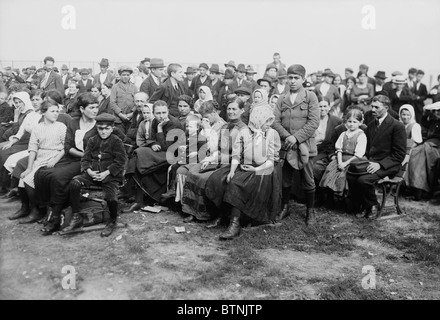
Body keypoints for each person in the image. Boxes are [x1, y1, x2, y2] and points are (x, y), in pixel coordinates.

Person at [206, 106, 281, 239]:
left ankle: (235, 224)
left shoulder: (272, 134)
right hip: (243, 165)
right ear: (257, 120)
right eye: (266, 121)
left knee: (236, 184)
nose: (268, 124)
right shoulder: (245, 132)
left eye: (269, 121)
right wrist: (232, 170)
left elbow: (272, 159)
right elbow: (236, 155)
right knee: (218, 179)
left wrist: (256, 169)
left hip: (262, 169)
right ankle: (222, 215)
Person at [181, 98, 249, 223]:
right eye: (229, 109)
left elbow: (242, 155)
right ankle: (191, 210)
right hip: (218, 159)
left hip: (231, 163)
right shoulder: (225, 126)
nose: (231, 112)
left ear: (242, 110)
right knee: (192, 172)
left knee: (203, 178)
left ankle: (204, 213)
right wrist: (211, 158)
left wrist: (219, 158)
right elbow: (217, 147)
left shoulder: (244, 129)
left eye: (234, 109)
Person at [65, 113, 127, 237]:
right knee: (74, 183)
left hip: (110, 176)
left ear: (112, 128)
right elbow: (85, 158)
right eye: (100, 128)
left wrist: (106, 173)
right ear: (97, 128)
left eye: (107, 128)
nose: (103, 132)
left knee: (111, 198)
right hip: (92, 174)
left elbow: (120, 161)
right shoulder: (92, 140)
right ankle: (76, 215)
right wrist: (88, 171)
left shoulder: (116, 141)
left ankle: (112, 220)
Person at [272, 64, 320, 226]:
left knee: (308, 179)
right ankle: (285, 208)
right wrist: (288, 137)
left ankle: (310, 211)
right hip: (286, 145)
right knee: (285, 179)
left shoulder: (310, 96)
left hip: (304, 146)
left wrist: (297, 138)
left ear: (303, 79)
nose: (292, 81)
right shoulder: (282, 98)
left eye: (296, 78)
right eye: (290, 78)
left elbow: (314, 122)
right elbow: (275, 121)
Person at [347, 94, 406, 219]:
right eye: (372, 106)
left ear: (386, 107)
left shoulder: (397, 126)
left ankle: (373, 205)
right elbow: (368, 147)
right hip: (371, 162)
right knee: (351, 175)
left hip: (389, 165)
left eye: (376, 107)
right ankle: (362, 205)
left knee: (363, 180)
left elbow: (399, 154)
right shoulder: (372, 124)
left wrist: (380, 164)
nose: (372, 110)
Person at [124, 100, 184, 212]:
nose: (161, 116)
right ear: (153, 113)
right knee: (138, 154)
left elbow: (168, 147)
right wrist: (154, 143)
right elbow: (151, 138)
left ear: (168, 111)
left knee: (139, 154)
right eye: (158, 113)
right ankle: (138, 199)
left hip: (173, 154)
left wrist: (160, 129)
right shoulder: (155, 121)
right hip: (161, 151)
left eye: (164, 113)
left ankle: (134, 194)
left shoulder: (174, 123)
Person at [15, 100, 67, 227]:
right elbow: (33, 149)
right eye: (52, 111)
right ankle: (28, 208)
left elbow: (66, 146)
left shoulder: (61, 126)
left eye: (57, 111)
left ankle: (38, 210)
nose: (56, 114)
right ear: (44, 112)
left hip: (56, 156)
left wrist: (55, 160)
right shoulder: (38, 128)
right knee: (24, 178)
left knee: (30, 179)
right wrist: (29, 167)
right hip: (41, 157)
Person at [173, 101, 226, 204]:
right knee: (178, 167)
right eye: (203, 117)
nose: (204, 119)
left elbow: (214, 148)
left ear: (214, 112)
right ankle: (182, 201)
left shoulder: (222, 126)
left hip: (213, 157)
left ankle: (190, 203)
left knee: (185, 170)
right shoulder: (208, 122)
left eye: (206, 116)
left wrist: (206, 129)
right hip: (200, 154)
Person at [319, 108, 367, 197]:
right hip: (341, 158)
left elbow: (359, 154)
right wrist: (340, 162)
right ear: (346, 122)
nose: (351, 124)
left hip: (354, 160)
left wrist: (345, 163)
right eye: (349, 121)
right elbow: (339, 150)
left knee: (344, 175)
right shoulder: (343, 134)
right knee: (330, 170)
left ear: (360, 123)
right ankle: (331, 195)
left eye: (355, 122)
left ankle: (344, 195)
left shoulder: (361, 135)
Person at [0, 92, 36, 194]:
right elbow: (17, 132)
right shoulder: (22, 112)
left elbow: (17, 130)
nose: (18, 104)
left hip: (27, 142)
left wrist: (16, 118)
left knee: (3, 153)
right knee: (2, 149)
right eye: (16, 102)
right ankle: (3, 184)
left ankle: (6, 186)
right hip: (20, 140)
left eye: (20, 102)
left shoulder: (29, 113)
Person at [405, 102, 440, 200]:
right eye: (435, 111)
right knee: (414, 153)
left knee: (421, 154)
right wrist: (425, 113)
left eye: (439, 111)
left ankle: (420, 189)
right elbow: (424, 123)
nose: (437, 113)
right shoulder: (434, 121)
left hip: (436, 147)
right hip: (428, 146)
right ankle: (414, 186)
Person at [312, 97, 343, 205]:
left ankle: (324, 193)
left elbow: (340, 137)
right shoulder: (312, 119)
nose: (323, 109)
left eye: (325, 106)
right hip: (314, 149)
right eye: (320, 106)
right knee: (308, 164)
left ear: (329, 107)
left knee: (315, 166)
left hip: (328, 151)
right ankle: (315, 193)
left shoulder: (336, 121)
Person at [110, 66, 138, 133]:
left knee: (130, 137)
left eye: (127, 75)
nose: (125, 77)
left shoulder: (134, 87)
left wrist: (132, 113)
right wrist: (120, 114)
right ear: (120, 75)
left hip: (131, 119)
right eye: (123, 75)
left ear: (130, 76)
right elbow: (112, 103)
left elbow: (137, 102)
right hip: (118, 119)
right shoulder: (115, 87)